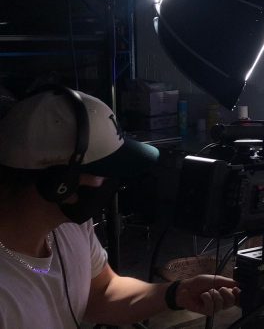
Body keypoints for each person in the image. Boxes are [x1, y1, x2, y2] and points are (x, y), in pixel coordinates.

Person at [0, 87, 240, 328]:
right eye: (105, 172)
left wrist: (177, 293)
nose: (115, 183)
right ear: (60, 184)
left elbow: (103, 292)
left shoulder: (68, 227)